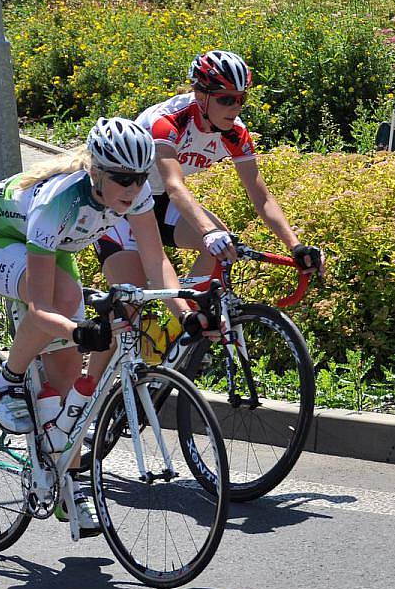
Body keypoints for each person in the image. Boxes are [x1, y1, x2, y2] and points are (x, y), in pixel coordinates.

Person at [0, 117, 207, 534]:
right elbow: (41, 307)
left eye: (138, 178)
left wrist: (184, 314)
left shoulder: (136, 192)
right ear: (96, 171)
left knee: (68, 385)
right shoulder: (59, 200)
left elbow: (155, 262)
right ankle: (8, 379)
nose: (132, 189)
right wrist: (78, 332)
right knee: (60, 306)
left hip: (52, 250)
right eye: (122, 180)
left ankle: (68, 483)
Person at [91, 50, 323, 363]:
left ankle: (178, 327)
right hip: (118, 204)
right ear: (200, 95)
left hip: (155, 203)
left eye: (241, 99)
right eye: (226, 99)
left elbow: (261, 197)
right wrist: (208, 233)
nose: (235, 107)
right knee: (126, 317)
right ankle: (84, 397)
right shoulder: (168, 122)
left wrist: (295, 246)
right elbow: (174, 185)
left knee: (219, 242)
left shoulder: (234, 132)